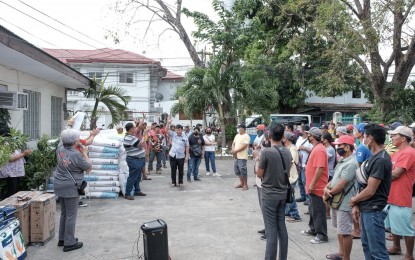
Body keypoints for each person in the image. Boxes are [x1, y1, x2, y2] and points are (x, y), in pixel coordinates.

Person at [350, 123, 391, 260]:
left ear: (371, 138)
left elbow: (370, 190)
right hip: (366, 208)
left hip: (374, 210)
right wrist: (356, 205)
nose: (363, 139)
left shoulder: (381, 160)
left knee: (378, 252)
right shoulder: (372, 157)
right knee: (367, 246)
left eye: (365, 136)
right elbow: (362, 184)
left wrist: (354, 200)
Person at [256, 123, 291, 260]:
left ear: (269, 135)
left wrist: (257, 158)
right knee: (281, 227)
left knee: (271, 231)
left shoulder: (266, 152)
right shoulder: (287, 151)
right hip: (283, 193)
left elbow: (259, 174)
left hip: (269, 194)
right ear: (282, 136)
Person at [54, 128, 91, 252]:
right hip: (70, 186)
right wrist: (85, 152)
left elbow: (63, 140)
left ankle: (62, 239)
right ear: (75, 141)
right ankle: (69, 243)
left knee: (64, 213)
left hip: (59, 184)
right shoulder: (76, 154)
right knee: (71, 215)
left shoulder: (60, 148)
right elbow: (88, 167)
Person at [323, 135, 358, 260]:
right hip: (336, 200)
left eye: (340, 146)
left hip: (344, 202)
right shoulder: (343, 160)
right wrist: (327, 188)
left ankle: (346, 257)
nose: (337, 148)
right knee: (340, 229)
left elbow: (342, 184)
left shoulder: (352, 164)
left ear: (347, 147)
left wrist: (328, 193)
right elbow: (334, 180)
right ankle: (341, 252)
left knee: (346, 232)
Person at [384, 126, 415, 258]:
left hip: (401, 196)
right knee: (393, 224)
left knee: (405, 227)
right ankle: (396, 247)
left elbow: (396, 174)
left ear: (403, 138)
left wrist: (380, 177)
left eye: (394, 135)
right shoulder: (398, 153)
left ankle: (409, 254)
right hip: (392, 194)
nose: (392, 138)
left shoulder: (409, 152)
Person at [300, 127, 329, 244]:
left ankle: (322, 235)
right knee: (312, 209)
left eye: (309, 135)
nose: (307, 137)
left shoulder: (320, 149)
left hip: (317, 187)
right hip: (312, 186)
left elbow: (320, 168)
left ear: (312, 137)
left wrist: (312, 184)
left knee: (318, 211)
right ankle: (313, 229)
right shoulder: (316, 148)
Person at [0, 127, 33, 199]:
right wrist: (24, 154)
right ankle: (4, 204)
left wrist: (26, 152)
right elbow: (10, 158)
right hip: (10, 172)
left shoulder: (12, 142)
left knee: (14, 191)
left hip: (15, 171)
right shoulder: (3, 144)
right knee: (11, 192)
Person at [123, 122, 147, 200]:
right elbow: (141, 144)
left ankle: (137, 190)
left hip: (138, 159)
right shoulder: (129, 138)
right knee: (133, 176)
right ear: (130, 129)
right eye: (134, 128)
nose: (135, 129)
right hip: (134, 160)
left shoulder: (131, 136)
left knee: (137, 176)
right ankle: (127, 193)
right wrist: (144, 135)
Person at [283, 131, 302, 223]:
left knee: (290, 195)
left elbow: (290, 162)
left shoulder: (292, 149)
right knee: (288, 194)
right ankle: (289, 212)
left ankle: (295, 214)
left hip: (291, 176)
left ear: (286, 139)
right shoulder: (288, 148)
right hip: (288, 175)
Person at [166, 117, 189, 188]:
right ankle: (173, 182)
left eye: (180, 130)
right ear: (175, 130)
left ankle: (180, 182)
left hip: (181, 156)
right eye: (177, 130)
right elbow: (166, 130)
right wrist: (168, 122)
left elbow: (187, 146)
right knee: (173, 169)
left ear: (182, 130)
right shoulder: (173, 134)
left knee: (181, 170)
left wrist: (187, 156)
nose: (178, 131)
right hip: (173, 155)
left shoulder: (185, 137)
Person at [296, 125, 313, 203]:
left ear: (305, 131)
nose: (300, 131)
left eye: (301, 130)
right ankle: (302, 196)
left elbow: (312, 151)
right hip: (298, 163)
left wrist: (305, 148)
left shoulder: (309, 140)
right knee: (299, 181)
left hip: (305, 163)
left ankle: (307, 198)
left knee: (304, 181)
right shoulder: (299, 139)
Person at [232, 123, 250, 191]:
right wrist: (233, 151)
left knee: (243, 170)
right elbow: (233, 143)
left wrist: (235, 151)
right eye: (238, 127)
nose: (239, 129)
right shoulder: (237, 135)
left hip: (242, 156)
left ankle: (245, 185)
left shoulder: (246, 136)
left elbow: (245, 146)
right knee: (238, 170)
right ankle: (241, 183)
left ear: (243, 128)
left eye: (240, 127)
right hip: (236, 156)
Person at [322, 133, 336, 219]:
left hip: (329, 173)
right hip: (326, 173)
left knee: (326, 194)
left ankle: (327, 213)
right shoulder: (326, 148)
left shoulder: (330, 149)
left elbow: (323, 159)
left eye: (322, 138)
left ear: (326, 140)